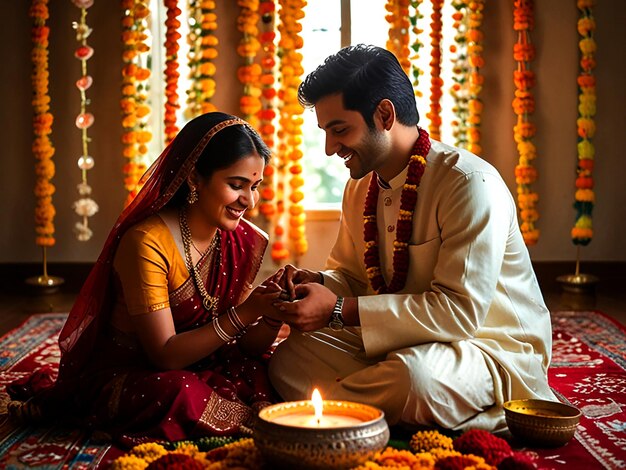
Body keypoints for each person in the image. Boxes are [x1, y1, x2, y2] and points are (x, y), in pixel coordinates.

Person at [266, 44, 556, 433]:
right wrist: (316, 283)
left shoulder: (468, 184)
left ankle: (480, 416)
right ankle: (405, 415)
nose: (330, 149)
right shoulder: (360, 186)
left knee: (412, 380)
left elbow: (460, 314)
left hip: (485, 348)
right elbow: (352, 278)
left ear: (384, 115)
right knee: (290, 357)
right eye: (326, 133)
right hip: (399, 343)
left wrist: (337, 310)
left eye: (339, 130)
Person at [8, 112, 285, 445]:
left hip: (202, 360)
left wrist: (269, 313)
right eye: (236, 185)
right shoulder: (147, 241)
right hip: (136, 371)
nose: (249, 200)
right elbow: (164, 355)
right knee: (176, 392)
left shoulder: (238, 239)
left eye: (255, 187)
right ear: (195, 178)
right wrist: (244, 314)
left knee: (266, 367)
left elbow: (243, 345)